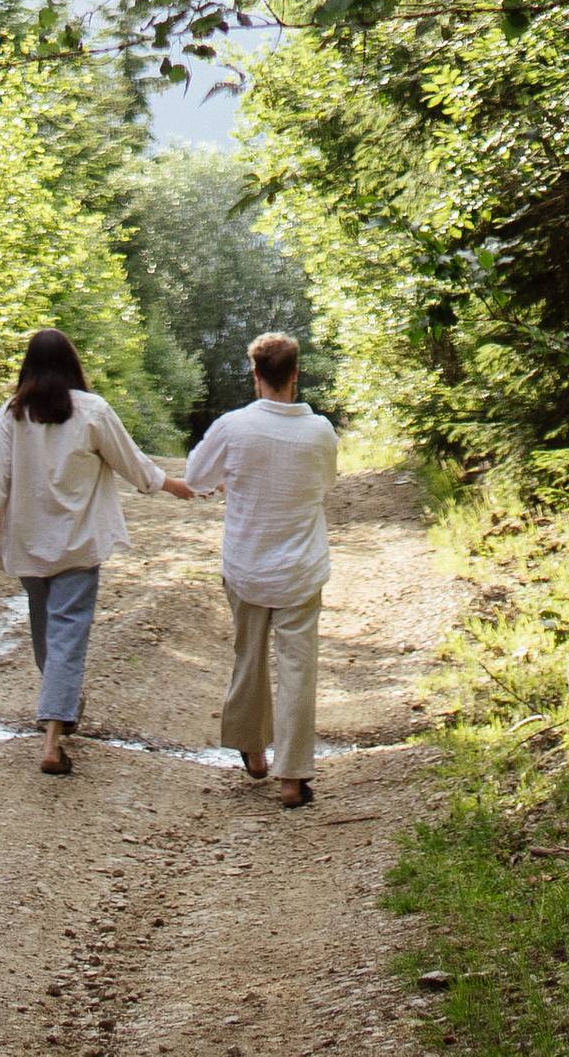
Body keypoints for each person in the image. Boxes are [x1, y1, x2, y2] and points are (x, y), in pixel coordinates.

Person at [0, 327, 193, 775]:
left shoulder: (12, 414)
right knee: (66, 634)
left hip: (28, 543)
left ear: (27, 366)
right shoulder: (92, 410)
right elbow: (132, 462)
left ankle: (59, 708)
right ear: (72, 364)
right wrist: (174, 486)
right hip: (79, 544)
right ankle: (52, 737)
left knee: (46, 630)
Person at [183, 329, 339, 809]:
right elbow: (325, 484)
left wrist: (232, 479)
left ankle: (253, 750)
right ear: (295, 374)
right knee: (298, 668)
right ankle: (293, 777)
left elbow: (194, 478)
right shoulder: (320, 432)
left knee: (248, 656)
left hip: (247, 564)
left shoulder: (233, 427)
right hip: (300, 568)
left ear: (256, 375)